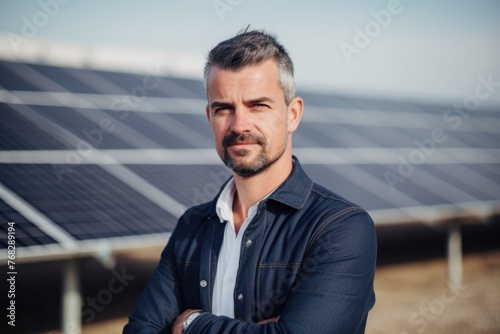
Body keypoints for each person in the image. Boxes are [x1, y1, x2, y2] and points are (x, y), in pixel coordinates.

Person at [123, 29, 376, 334]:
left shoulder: (340, 227)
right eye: (223, 109)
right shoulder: (192, 227)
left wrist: (192, 323)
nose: (239, 125)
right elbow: (141, 329)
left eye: (258, 105)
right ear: (209, 117)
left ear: (293, 114)